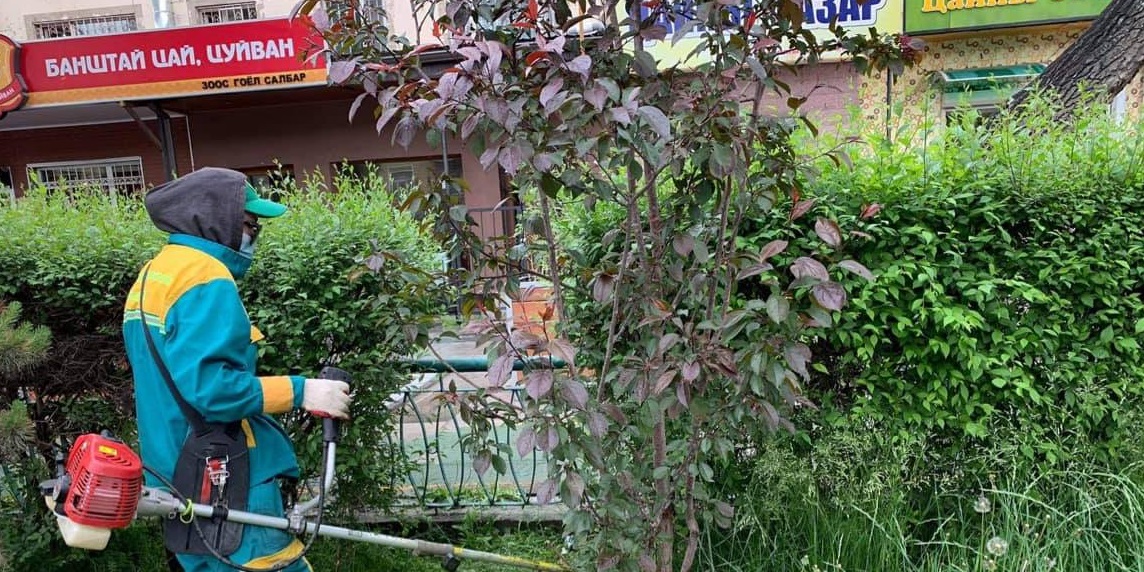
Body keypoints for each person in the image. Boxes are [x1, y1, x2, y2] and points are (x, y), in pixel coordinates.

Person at [123, 167, 351, 571]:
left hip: (175, 470)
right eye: (249, 225)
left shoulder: (153, 275)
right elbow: (215, 391)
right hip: (224, 471)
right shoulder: (204, 277)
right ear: (217, 218)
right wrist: (304, 391)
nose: (254, 236)